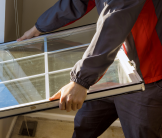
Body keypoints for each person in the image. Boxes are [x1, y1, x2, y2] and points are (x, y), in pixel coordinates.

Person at [18, 0, 162, 137]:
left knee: (140, 133)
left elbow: (115, 21)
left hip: (147, 73)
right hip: (113, 64)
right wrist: (39, 27)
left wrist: (81, 80)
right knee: (84, 125)